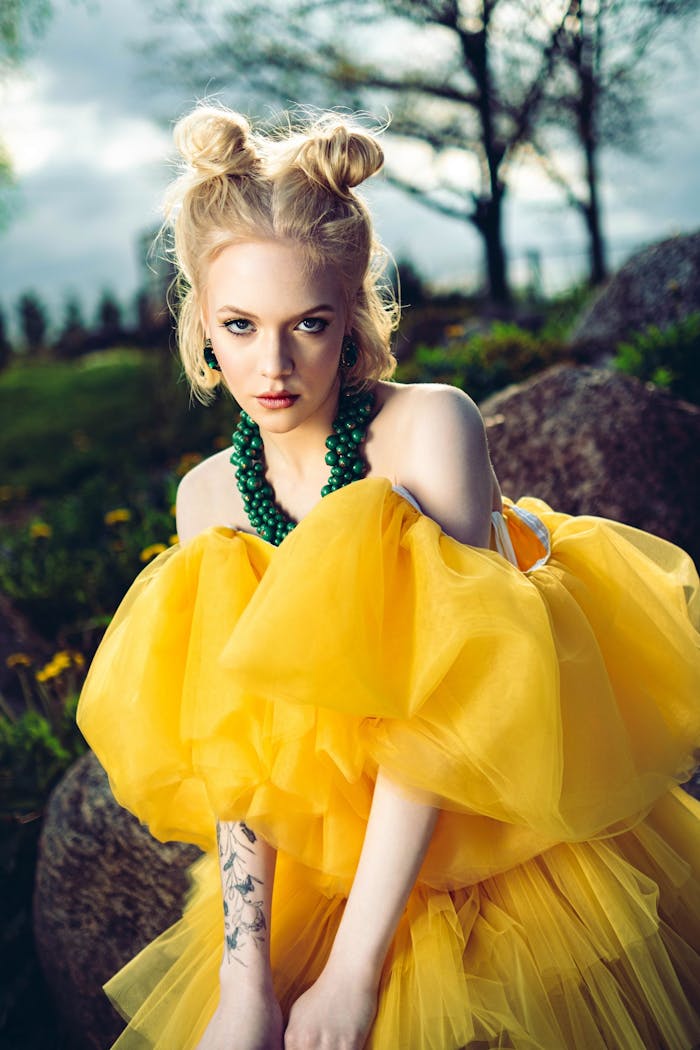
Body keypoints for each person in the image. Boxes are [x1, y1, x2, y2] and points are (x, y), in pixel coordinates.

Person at [77, 104, 700, 1050]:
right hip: (320, 854)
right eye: (240, 326)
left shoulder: (425, 430)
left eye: (309, 325)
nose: (273, 365)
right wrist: (246, 983)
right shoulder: (206, 500)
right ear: (201, 322)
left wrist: (354, 971)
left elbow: (453, 709)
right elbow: (238, 758)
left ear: (353, 317)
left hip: (491, 824)